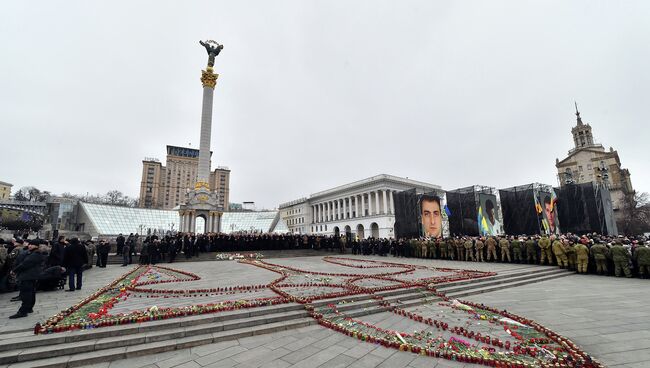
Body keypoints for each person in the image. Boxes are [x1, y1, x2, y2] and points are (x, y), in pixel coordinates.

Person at [9, 239, 46, 319]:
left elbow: (25, 264)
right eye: (29, 244)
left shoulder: (36, 254)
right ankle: (29, 308)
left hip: (28, 276)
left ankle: (23, 311)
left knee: (26, 294)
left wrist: (14, 270)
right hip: (31, 276)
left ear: (36, 246)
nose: (29, 246)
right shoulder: (34, 253)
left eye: (32, 245)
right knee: (30, 293)